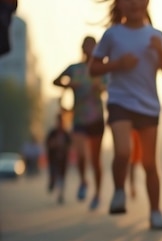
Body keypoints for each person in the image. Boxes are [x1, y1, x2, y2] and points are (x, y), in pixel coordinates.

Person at [89, 0, 162, 230]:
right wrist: (117, 64)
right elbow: (93, 68)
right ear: (120, 5)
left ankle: (156, 212)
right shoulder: (112, 34)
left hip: (148, 105)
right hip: (120, 101)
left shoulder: (156, 35)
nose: (135, 3)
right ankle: (118, 191)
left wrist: (160, 52)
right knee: (123, 151)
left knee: (149, 163)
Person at [53, 36, 107, 210]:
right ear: (82, 48)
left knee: (95, 159)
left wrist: (101, 87)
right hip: (79, 118)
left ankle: (98, 194)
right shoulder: (75, 69)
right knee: (81, 155)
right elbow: (55, 81)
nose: (90, 49)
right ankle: (84, 181)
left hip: (97, 118)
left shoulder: (101, 69)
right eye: (87, 46)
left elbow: (110, 85)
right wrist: (69, 84)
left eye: (93, 46)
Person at [45, 110, 72, 204]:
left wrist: (63, 147)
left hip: (63, 160)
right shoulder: (52, 133)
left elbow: (70, 145)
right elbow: (47, 144)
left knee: (62, 178)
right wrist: (54, 144)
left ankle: (60, 195)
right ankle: (52, 182)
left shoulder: (66, 134)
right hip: (53, 159)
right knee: (53, 174)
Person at [128, 129, 141, 199]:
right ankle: (132, 186)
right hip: (132, 131)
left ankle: (132, 186)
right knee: (132, 163)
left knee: (134, 163)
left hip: (141, 130)